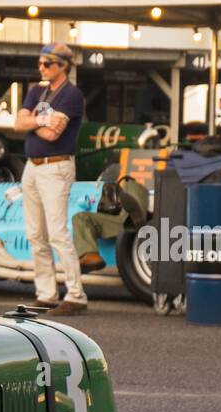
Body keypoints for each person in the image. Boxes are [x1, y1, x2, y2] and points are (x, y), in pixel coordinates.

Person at [14, 43, 87, 315]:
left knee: (57, 233)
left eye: (47, 63)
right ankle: (46, 293)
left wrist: (34, 122)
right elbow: (19, 124)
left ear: (63, 65)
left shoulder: (72, 95)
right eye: (41, 62)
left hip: (56, 166)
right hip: (32, 167)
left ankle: (76, 294)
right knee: (35, 234)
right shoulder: (37, 90)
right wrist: (40, 121)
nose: (41, 67)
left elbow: (53, 133)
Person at [71, 175, 149, 272]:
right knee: (82, 217)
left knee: (81, 218)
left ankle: (89, 254)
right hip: (131, 217)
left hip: (125, 216)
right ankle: (132, 220)